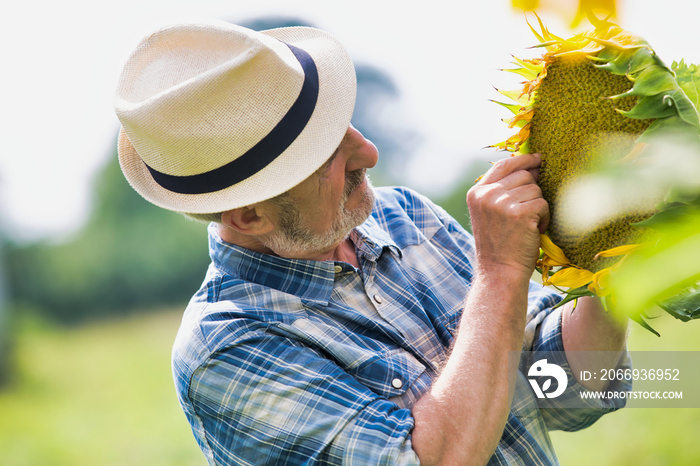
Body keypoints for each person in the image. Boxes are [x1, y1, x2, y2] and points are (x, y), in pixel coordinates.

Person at [114, 19, 632, 465]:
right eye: (326, 156)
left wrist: (610, 257)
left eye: (344, 125)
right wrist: (499, 273)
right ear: (249, 215)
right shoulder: (226, 349)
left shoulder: (404, 215)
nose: (369, 153)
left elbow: (565, 391)